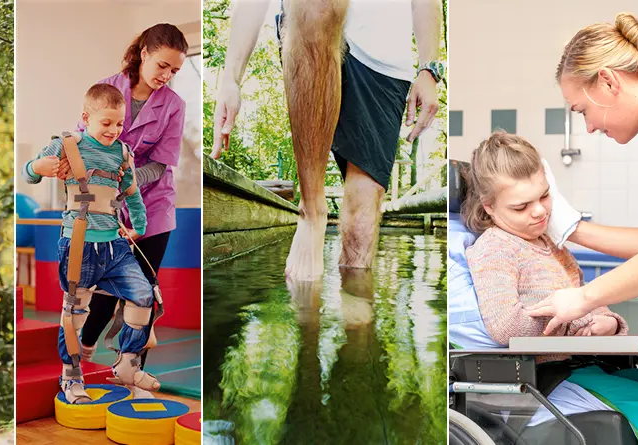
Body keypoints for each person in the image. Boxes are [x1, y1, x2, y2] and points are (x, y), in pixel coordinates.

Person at [464, 132, 638, 445]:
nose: (539, 211)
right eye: (521, 206)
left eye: (544, 196)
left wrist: (607, 323)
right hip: (553, 377)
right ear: (489, 207)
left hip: (593, 365)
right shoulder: (495, 247)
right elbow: (504, 326)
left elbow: (590, 301)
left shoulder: (552, 245)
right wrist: (572, 317)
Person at [213, 0, 444, 281]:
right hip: (309, 30)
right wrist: (230, 80)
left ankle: (356, 310)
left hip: (385, 61)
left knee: (361, 225)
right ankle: (312, 212)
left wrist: (429, 69)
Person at [526, 13, 638, 336]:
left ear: (609, 81)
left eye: (583, 111)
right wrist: (571, 228)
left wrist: (584, 297)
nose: (590, 126)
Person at [26, 84, 154, 401]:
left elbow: (133, 194)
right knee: (74, 314)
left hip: (114, 245)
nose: (113, 130)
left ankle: (127, 364)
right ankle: (71, 376)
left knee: (143, 296)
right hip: (79, 244)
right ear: (87, 118)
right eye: (106, 123)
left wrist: (139, 225)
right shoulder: (67, 145)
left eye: (119, 123)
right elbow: (30, 173)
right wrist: (36, 168)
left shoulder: (123, 153)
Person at [76, 23, 186, 367]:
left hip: (154, 208)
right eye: (162, 66)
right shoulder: (106, 88)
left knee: (143, 294)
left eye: (175, 70)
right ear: (144, 54)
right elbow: (81, 144)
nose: (166, 75)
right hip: (104, 209)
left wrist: (126, 183)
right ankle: (84, 355)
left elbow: (162, 164)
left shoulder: (175, 106)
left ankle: (133, 369)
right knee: (107, 291)